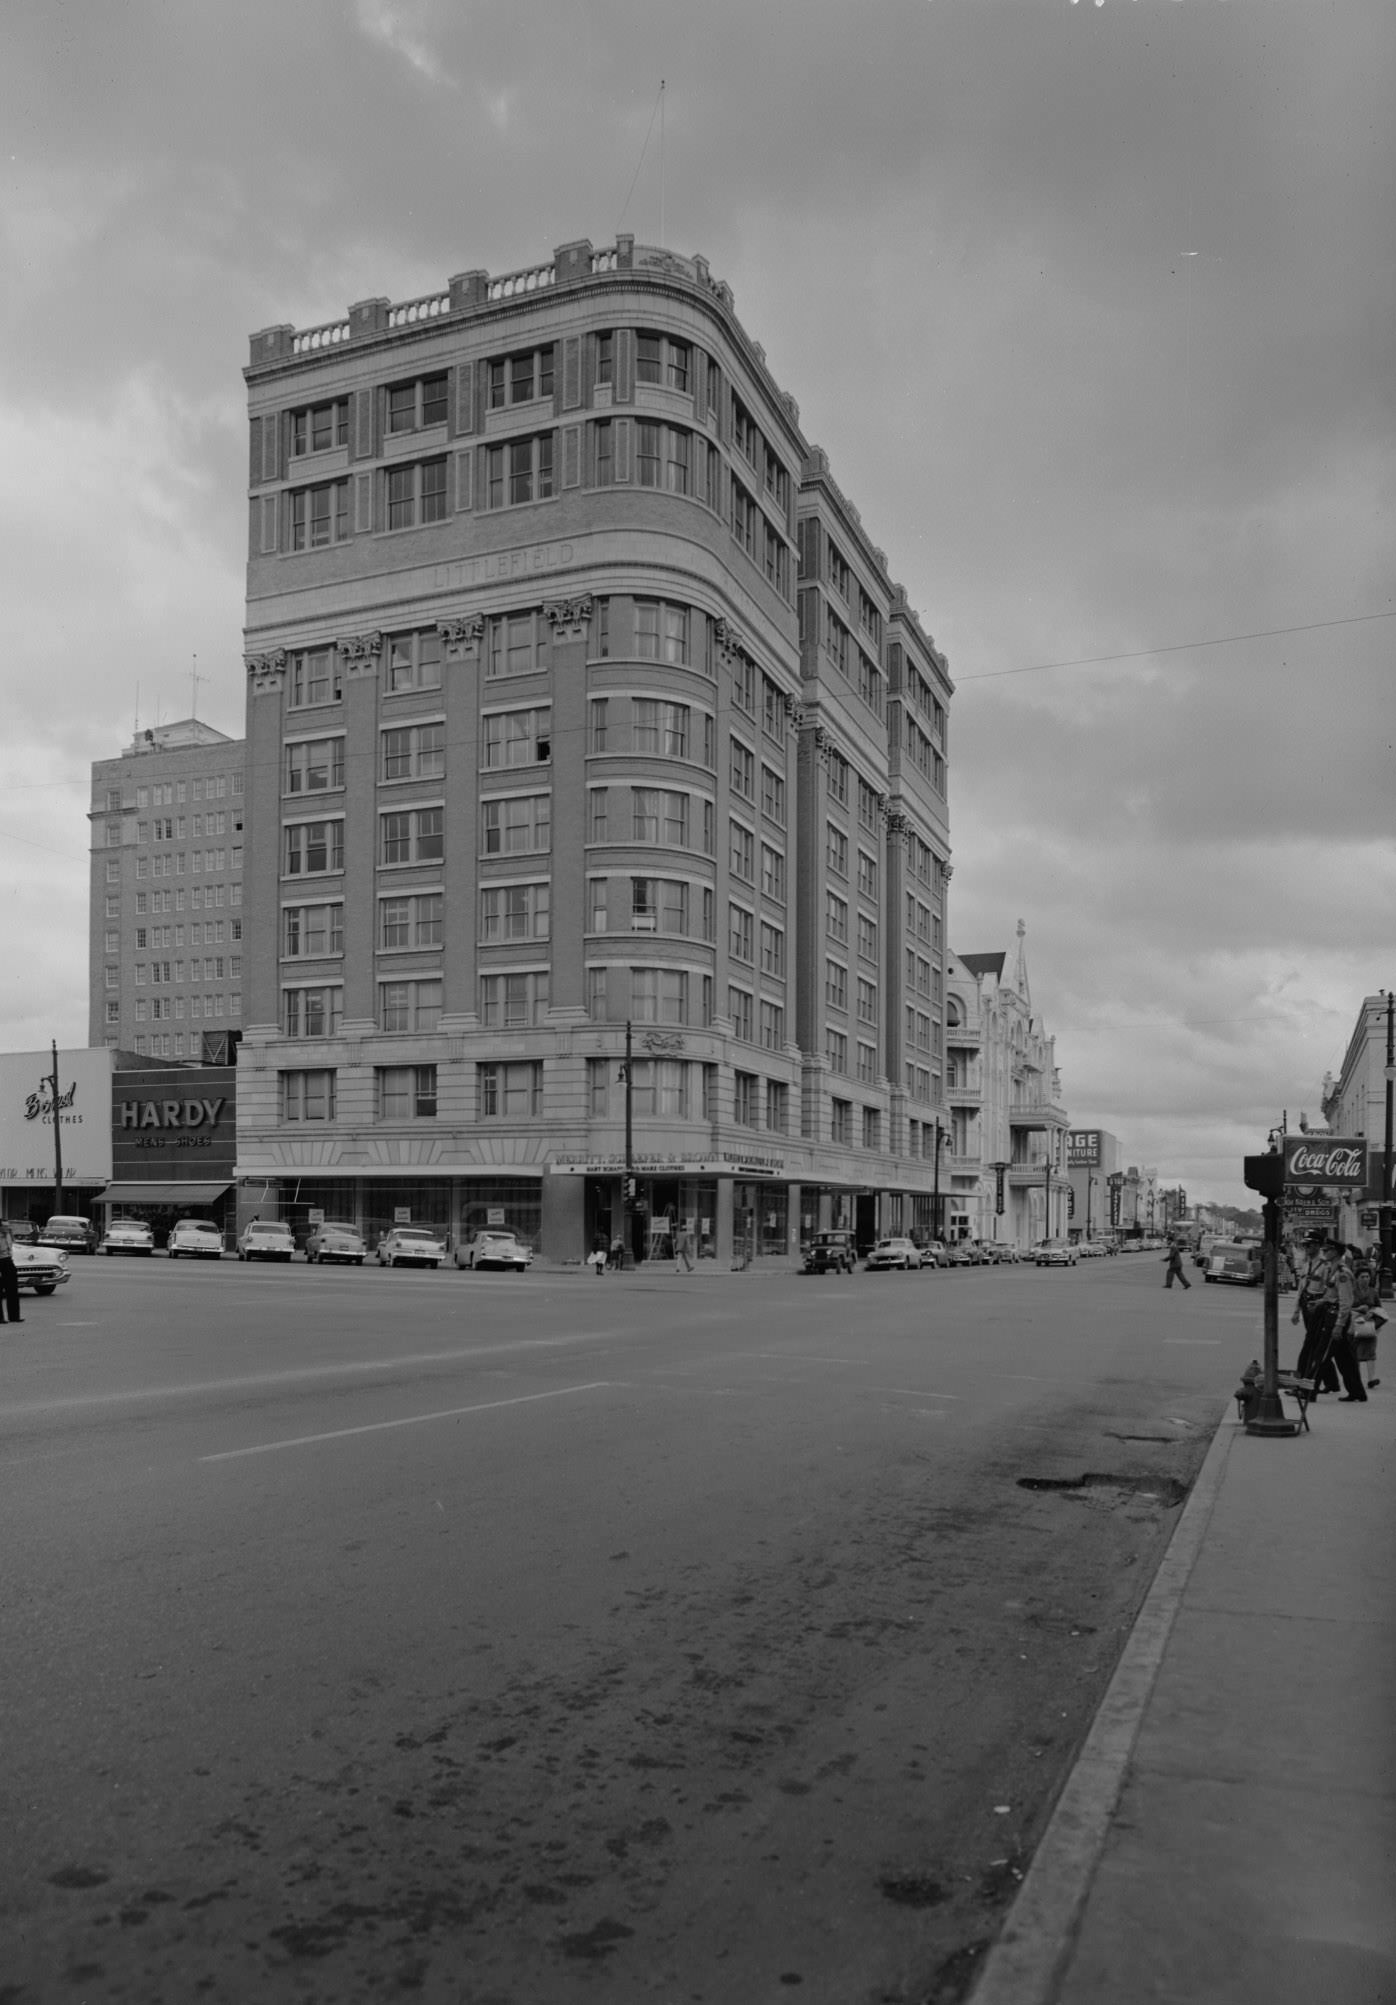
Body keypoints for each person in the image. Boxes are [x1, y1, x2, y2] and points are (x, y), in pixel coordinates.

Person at [1294, 1238, 1340, 1391]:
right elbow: (1301, 1288)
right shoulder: (1306, 1264)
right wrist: (1296, 1310)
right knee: (1317, 1345)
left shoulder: (1325, 1266)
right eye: (1305, 1245)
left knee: (1311, 1346)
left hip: (1318, 1307)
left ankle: (1303, 1382)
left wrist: (1321, 1304)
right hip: (1307, 1303)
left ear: (1318, 1246)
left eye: (1310, 1245)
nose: (1307, 1248)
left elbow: (1329, 1290)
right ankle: (1332, 1383)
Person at [0, 1217, 22, 1324]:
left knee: (12, 1289)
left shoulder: (9, 1234)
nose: (7, 1227)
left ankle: (14, 1316)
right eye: (4, 1226)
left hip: (8, 1261)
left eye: (8, 1225)